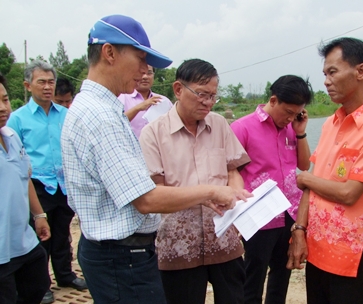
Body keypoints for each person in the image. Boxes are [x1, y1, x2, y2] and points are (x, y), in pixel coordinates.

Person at [60, 15, 249, 304]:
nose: (145, 70)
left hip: (126, 254)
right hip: (122, 257)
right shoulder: (100, 117)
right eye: (140, 58)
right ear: (109, 53)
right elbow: (146, 199)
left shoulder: (103, 110)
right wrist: (212, 191)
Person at [287, 37, 363, 304]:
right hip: (316, 250)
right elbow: (312, 185)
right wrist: (300, 229)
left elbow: (349, 193)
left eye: (333, 72)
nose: (326, 81)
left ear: (361, 71)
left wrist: (305, 178)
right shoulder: (331, 123)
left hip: (350, 257)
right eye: (325, 74)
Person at [139, 58, 251, 304]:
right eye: (201, 94)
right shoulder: (153, 133)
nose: (208, 102)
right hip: (179, 244)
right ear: (178, 89)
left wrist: (235, 191)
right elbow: (155, 193)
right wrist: (208, 193)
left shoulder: (219, 124)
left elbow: (233, 169)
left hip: (224, 239)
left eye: (213, 96)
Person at [7, 60, 87, 304]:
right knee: (40, 236)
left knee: (63, 233)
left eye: (50, 82)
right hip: (37, 185)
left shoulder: (66, 114)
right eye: (41, 82)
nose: (47, 87)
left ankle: (65, 275)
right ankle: (41, 284)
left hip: (63, 183)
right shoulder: (17, 119)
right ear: (28, 85)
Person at [230, 75, 313, 304]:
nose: (289, 118)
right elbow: (229, 172)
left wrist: (300, 131)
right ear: (273, 100)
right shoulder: (242, 128)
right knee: (253, 276)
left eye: (296, 113)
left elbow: (304, 165)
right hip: (258, 215)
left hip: (288, 213)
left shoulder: (291, 129)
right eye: (287, 112)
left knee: (282, 271)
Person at [0, 73, 51, 304]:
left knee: (38, 286)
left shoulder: (11, 136)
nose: (3, 108)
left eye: (5, 99)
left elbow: (24, 177)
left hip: (23, 242)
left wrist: (39, 215)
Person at [118, 65, 173, 138]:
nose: (145, 77)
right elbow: (116, 122)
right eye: (141, 73)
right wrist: (137, 108)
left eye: (149, 73)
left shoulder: (164, 101)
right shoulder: (122, 97)